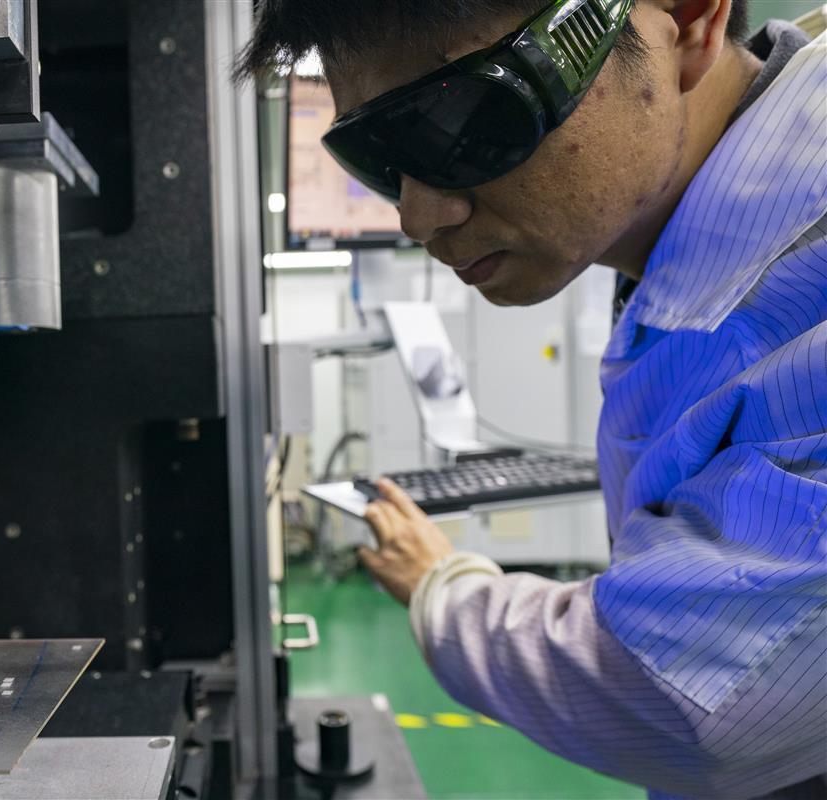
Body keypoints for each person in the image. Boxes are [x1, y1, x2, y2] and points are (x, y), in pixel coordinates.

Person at [237, 0, 826, 797]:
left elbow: (693, 696)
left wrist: (444, 588)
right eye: (378, 156)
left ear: (686, 20)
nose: (419, 216)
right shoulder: (691, 253)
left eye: (467, 119)